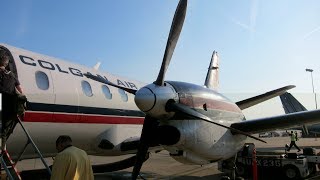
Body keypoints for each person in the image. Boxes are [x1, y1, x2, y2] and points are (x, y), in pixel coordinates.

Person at [0, 49, 25, 147]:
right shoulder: (11, 75)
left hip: (1, 103)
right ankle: (2, 148)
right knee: (4, 130)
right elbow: (20, 91)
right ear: (6, 64)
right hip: (10, 106)